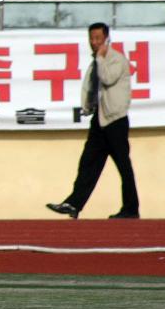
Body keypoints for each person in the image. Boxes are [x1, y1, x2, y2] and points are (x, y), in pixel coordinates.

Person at [46, 22, 140, 220]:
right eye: (92, 38)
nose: (94, 42)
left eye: (98, 39)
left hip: (115, 120)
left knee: (123, 165)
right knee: (88, 163)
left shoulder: (115, 59)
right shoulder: (96, 61)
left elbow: (107, 78)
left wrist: (100, 56)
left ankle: (131, 209)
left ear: (107, 39)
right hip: (99, 119)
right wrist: (87, 107)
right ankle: (73, 204)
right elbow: (91, 87)